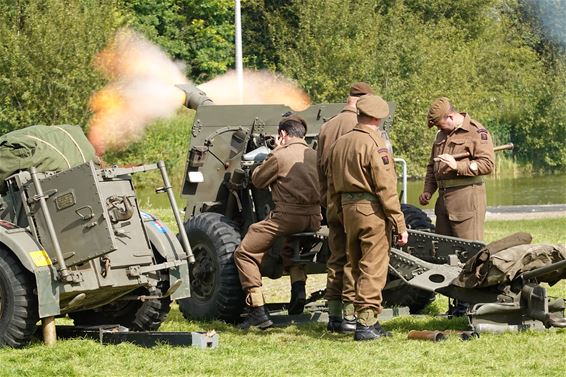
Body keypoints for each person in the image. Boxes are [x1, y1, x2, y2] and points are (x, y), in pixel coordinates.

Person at [327, 95, 408, 341]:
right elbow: (386, 187)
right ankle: (367, 323)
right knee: (373, 265)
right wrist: (399, 224)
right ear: (378, 117)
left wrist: (339, 211)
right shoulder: (374, 143)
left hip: (346, 207)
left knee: (352, 262)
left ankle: (348, 317)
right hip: (371, 210)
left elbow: (331, 182)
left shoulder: (340, 142)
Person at [234, 114, 321, 330]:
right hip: (314, 218)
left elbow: (258, 180)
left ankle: (257, 311)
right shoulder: (315, 155)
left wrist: (274, 151)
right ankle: (298, 290)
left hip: (287, 217)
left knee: (244, 253)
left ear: (282, 134)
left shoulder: (280, 155)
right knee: (292, 244)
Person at [317, 82, 374, 333]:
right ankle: (352, 317)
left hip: (333, 200)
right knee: (357, 259)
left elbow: (319, 169)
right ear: (365, 100)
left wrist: (326, 200)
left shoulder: (327, 126)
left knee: (336, 256)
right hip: (358, 203)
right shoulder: (364, 127)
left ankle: (334, 316)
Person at [419, 97, 495, 241]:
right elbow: (432, 165)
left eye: (440, 126)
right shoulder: (441, 135)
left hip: (466, 201)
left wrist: (457, 166)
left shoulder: (476, 132)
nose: (439, 129)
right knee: (443, 250)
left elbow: (487, 164)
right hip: (443, 202)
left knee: (468, 251)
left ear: (451, 116)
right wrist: (428, 190)